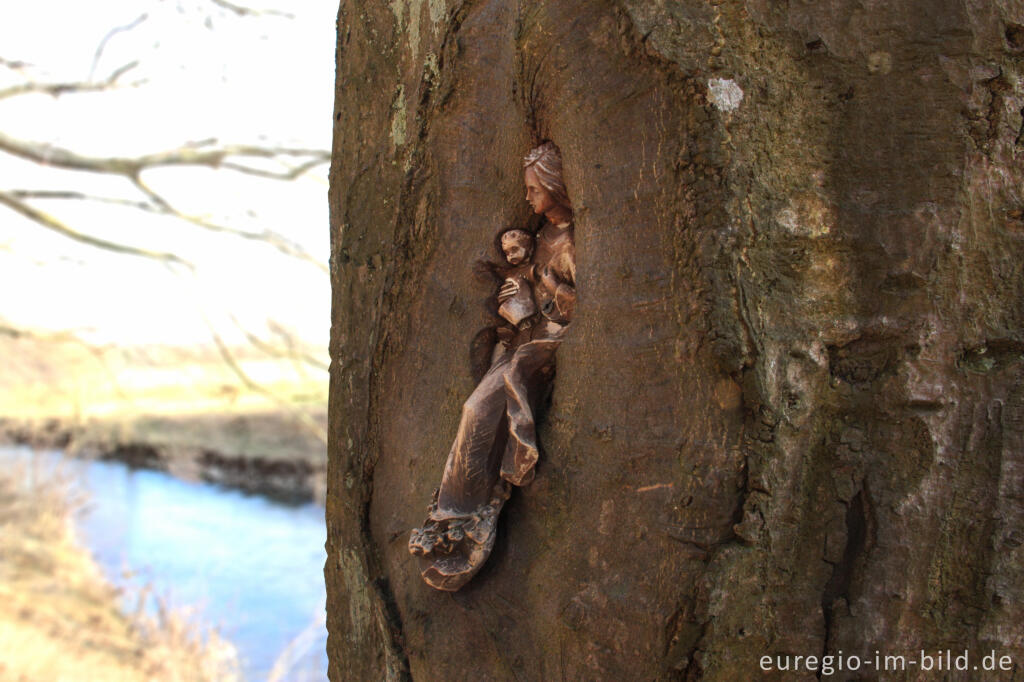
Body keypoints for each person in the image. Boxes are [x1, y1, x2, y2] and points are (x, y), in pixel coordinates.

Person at [409, 141, 576, 591]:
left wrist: (532, 308)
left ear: (554, 185)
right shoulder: (540, 237)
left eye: (533, 188)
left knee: (478, 411)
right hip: (521, 336)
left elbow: (570, 304)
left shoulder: (572, 241)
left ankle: (464, 516)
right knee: (473, 410)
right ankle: (451, 515)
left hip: (542, 343)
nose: (527, 199)